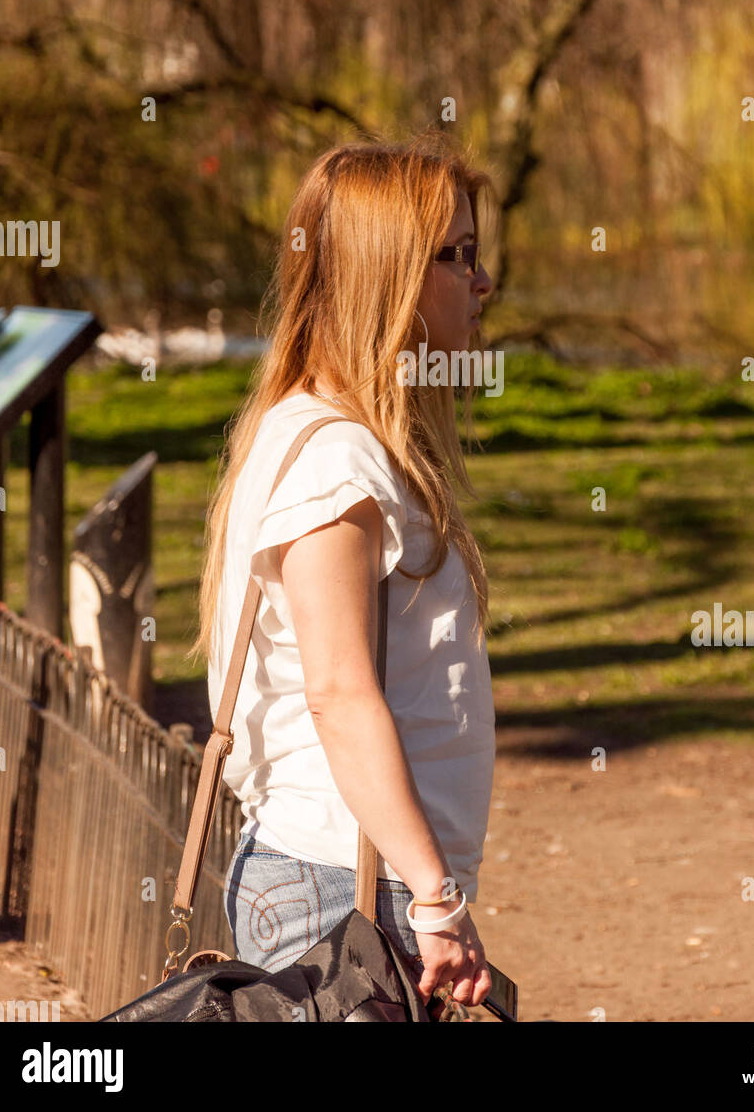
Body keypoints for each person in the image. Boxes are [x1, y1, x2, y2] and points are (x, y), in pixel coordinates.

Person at [192, 133, 497, 1010]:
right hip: (344, 883)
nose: (482, 283)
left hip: (349, 875)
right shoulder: (339, 464)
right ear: (387, 272)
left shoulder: (321, 432)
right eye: (459, 257)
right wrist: (436, 898)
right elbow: (338, 691)